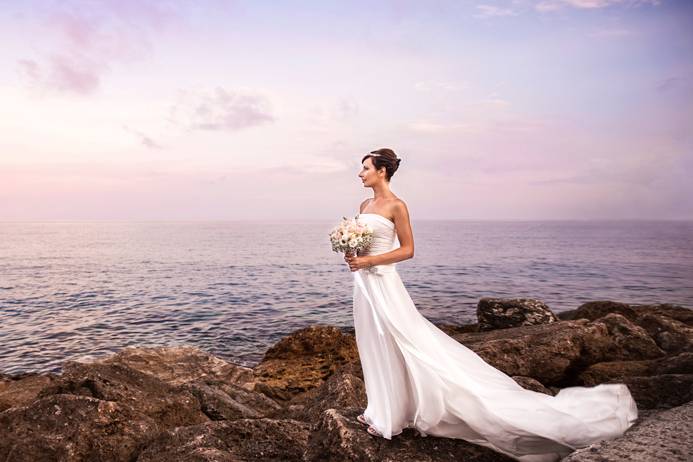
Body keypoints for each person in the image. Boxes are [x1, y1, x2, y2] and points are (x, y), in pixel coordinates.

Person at [343, 148, 638, 462]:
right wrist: (352, 253)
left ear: (382, 172)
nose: (360, 174)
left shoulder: (397, 205)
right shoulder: (364, 205)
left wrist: (371, 259)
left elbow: (408, 249)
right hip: (364, 285)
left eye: (365, 168)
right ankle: (381, 409)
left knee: (404, 342)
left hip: (386, 284)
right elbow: (362, 242)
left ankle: (391, 417)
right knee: (374, 343)